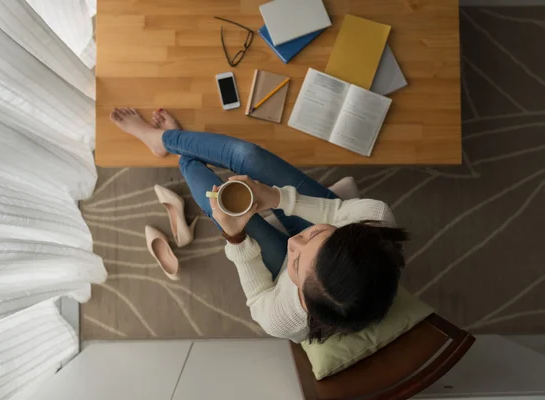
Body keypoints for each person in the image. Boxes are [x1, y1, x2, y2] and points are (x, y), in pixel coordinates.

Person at [110, 107, 408, 343]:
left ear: (304, 299)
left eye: (296, 261)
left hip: (273, 274)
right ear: (351, 232)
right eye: (313, 235)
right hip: (325, 219)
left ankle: (174, 147)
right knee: (248, 156)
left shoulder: (283, 319)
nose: (293, 243)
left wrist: (235, 236)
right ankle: (163, 139)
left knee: (207, 189)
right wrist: (276, 198)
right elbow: (335, 209)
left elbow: (257, 296)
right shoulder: (374, 218)